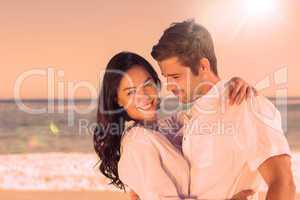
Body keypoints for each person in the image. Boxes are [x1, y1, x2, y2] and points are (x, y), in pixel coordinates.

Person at [149, 19, 295, 199]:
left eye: (176, 76)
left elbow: (283, 181)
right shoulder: (192, 114)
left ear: (203, 66)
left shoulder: (244, 104)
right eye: (166, 77)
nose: (169, 86)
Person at [94, 52, 256, 200]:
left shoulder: (168, 126)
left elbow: (205, 109)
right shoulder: (138, 141)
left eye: (147, 85)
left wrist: (231, 87)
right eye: (130, 92)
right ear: (118, 100)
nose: (142, 96)